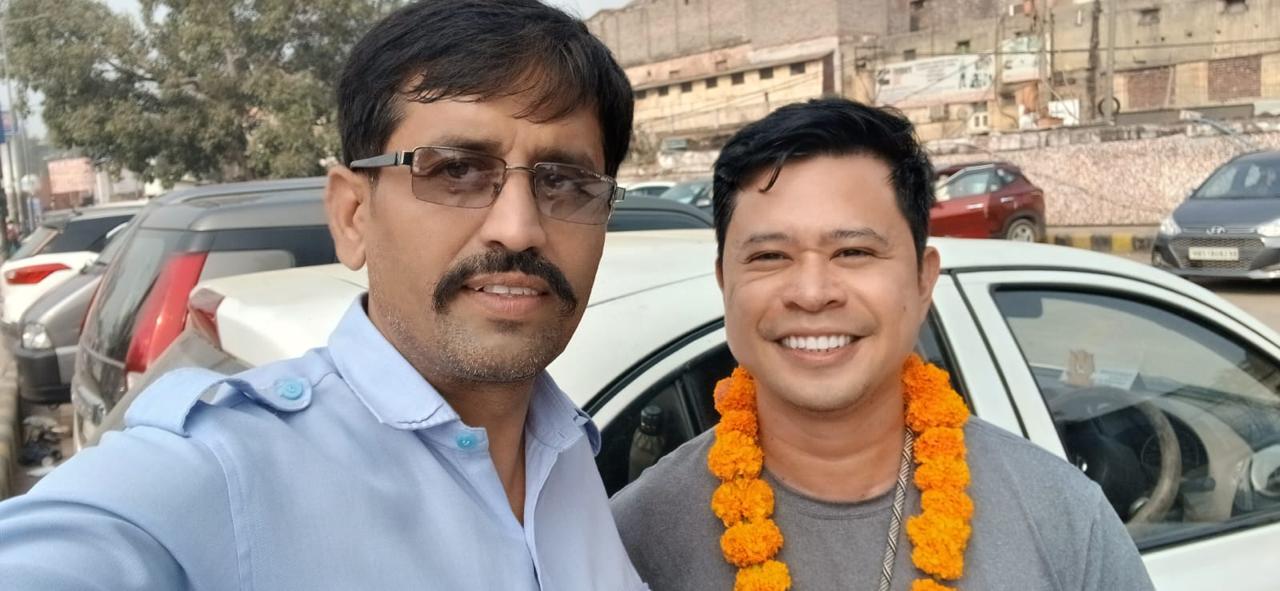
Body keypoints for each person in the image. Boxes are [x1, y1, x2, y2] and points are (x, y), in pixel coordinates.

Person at [0, 1, 648, 589]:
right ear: (352, 215)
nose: (519, 227)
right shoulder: (223, 471)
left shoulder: (568, 453)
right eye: (456, 170)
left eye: (566, 182)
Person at [610, 98, 1154, 591]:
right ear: (724, 283)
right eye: (770, 256)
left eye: (854, 253)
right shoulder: (630, 541)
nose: (812, 293)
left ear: (923, 280)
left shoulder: (1062, 519)